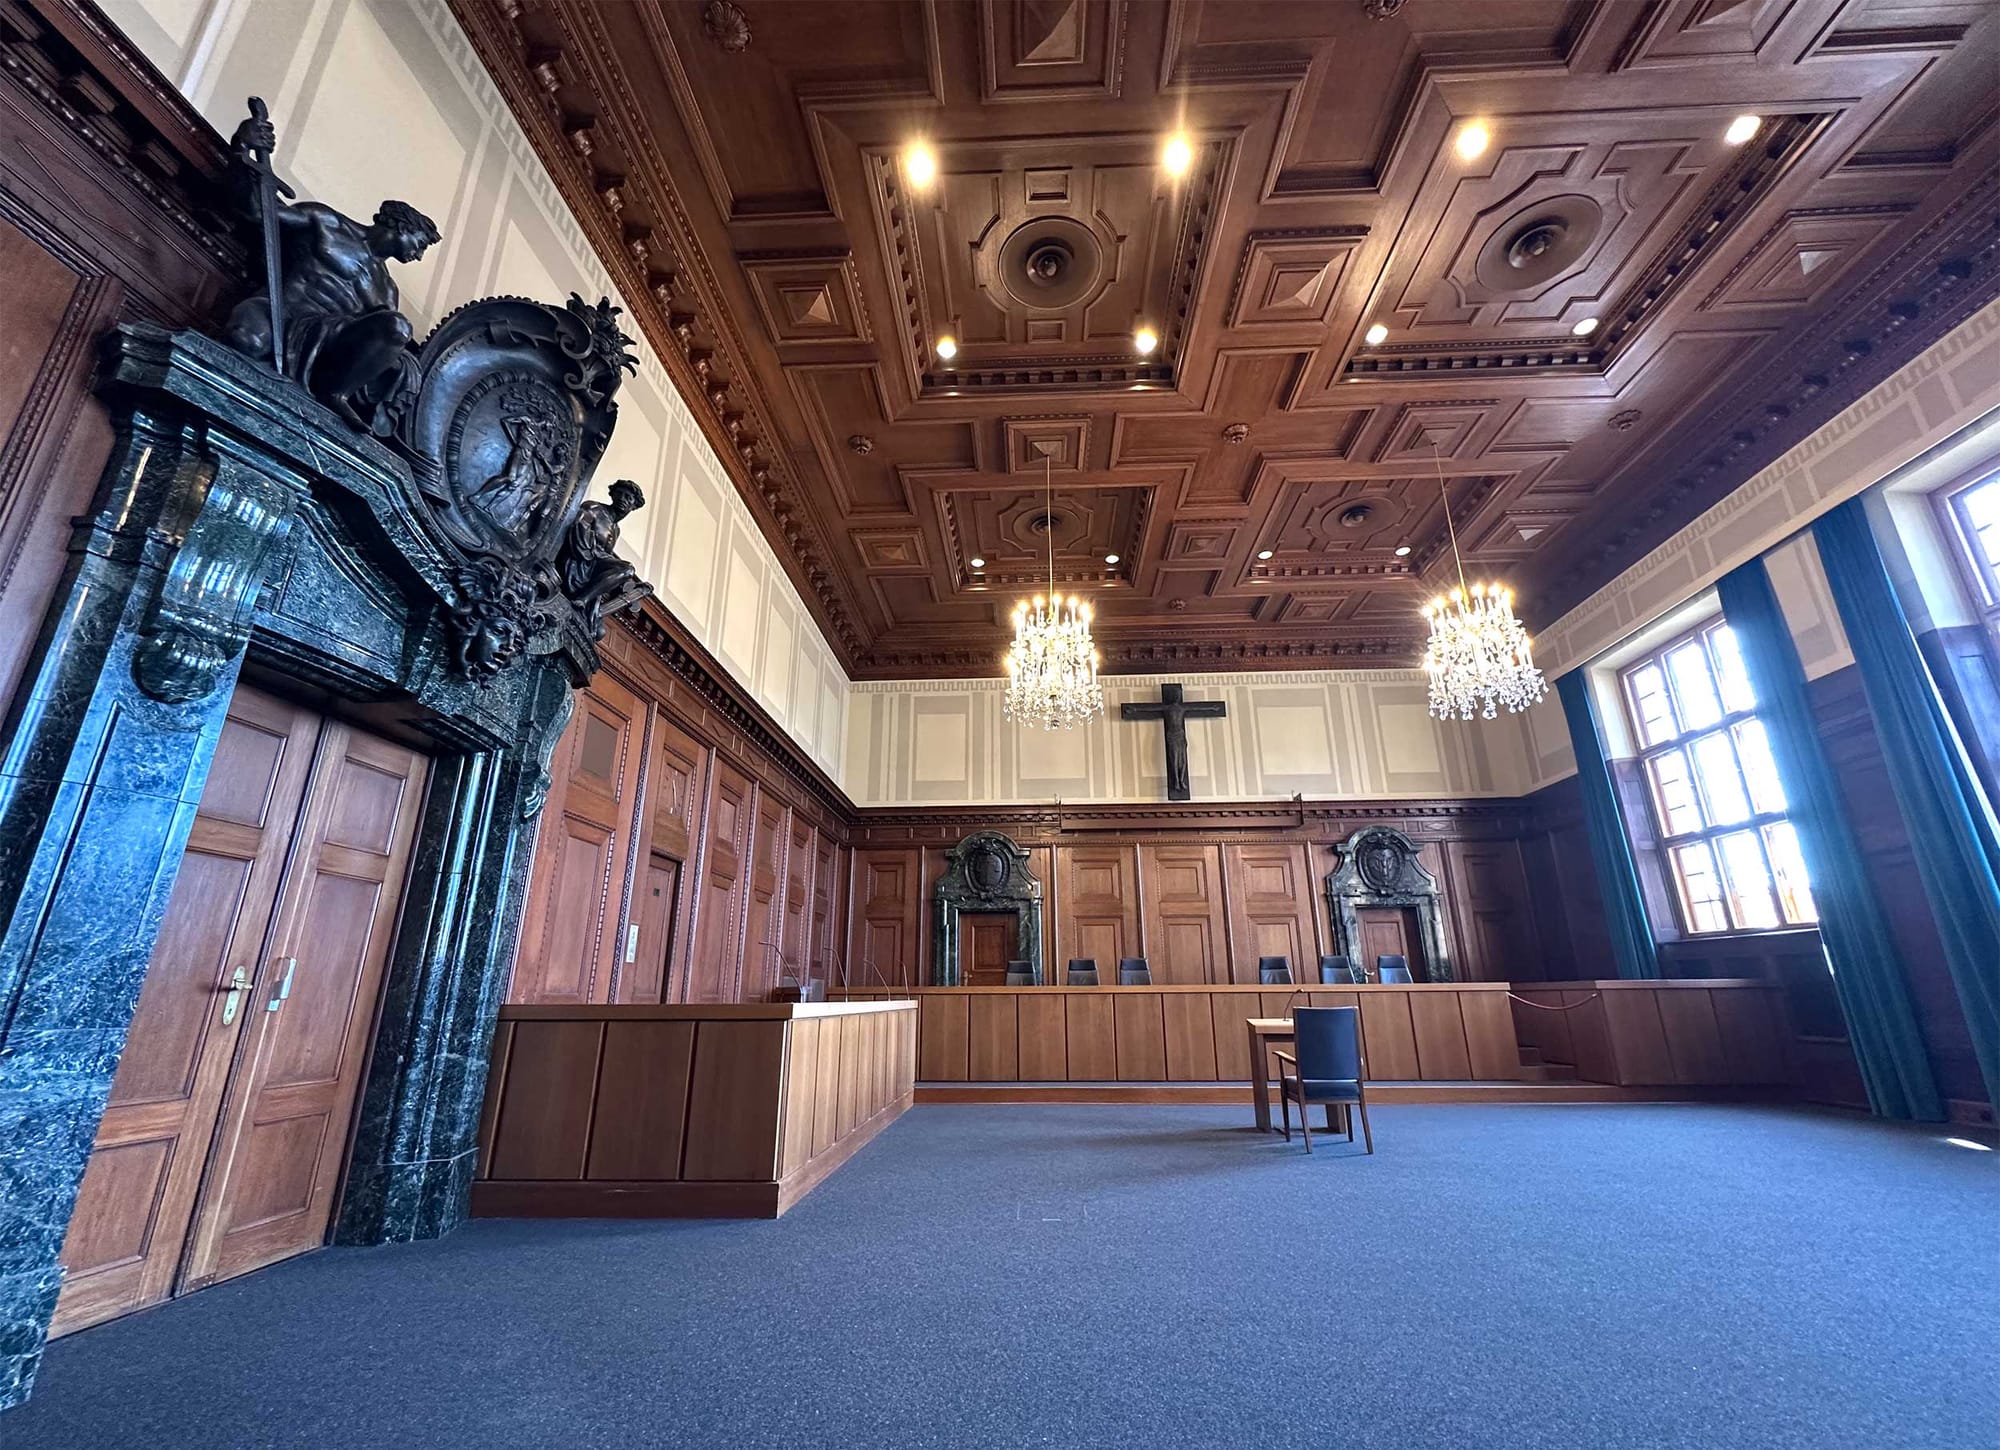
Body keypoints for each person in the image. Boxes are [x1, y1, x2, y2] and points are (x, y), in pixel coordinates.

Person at [224, 110, 439, 433]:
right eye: (419, 244)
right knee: (247, 340)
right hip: (281, 311)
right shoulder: (327, 223)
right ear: (399, 226)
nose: (418, 255)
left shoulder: (387, 289)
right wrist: (242, 147)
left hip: (329, 345)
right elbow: (259, 214)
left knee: (396, 327)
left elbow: (376, 339)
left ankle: (336, 392)